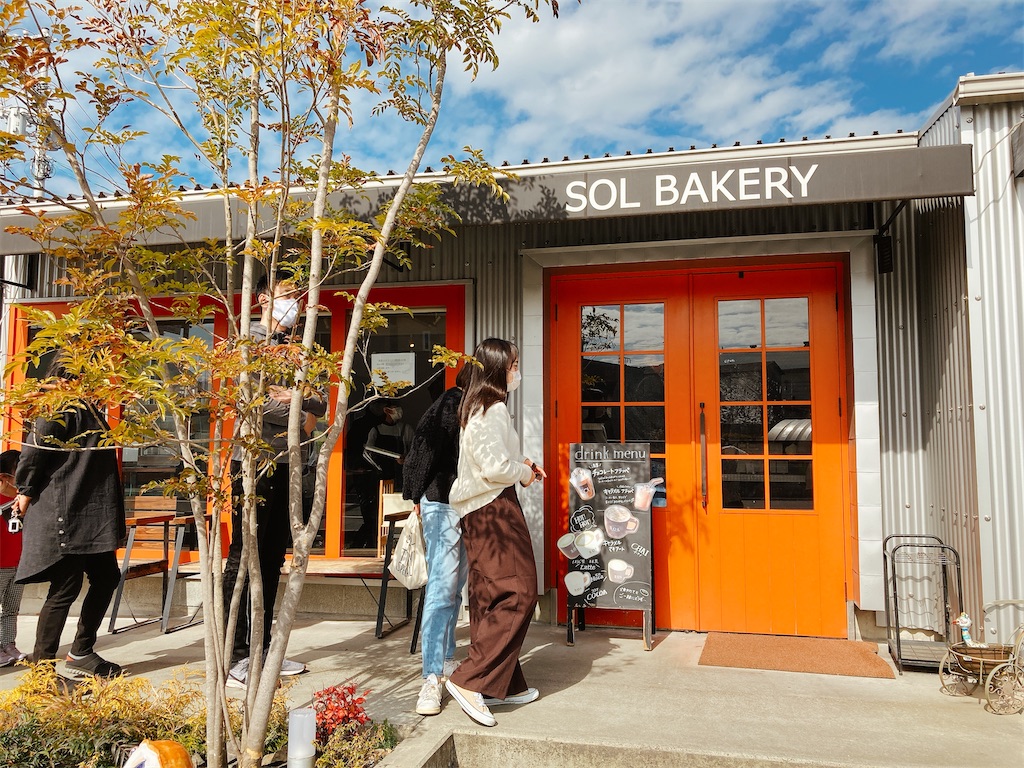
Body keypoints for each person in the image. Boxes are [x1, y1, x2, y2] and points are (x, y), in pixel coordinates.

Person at [223, 271, 327, 689]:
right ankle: (236, 656)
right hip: (252, 461)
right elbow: (254, 400)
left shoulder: (296, 348)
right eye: (288, 296)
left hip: (286, 461)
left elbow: (320, 395)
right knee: (245, 555)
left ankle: (262, 651)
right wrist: (301, 412)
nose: (296, 305)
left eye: (298, 297)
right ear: (264, 298)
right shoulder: (248, 342)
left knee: (270, 557)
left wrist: (301, 401)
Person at [446, 338, 546, 727]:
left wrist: (521, 465)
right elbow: (493, 468)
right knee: (519, 590)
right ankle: (470, 679)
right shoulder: (493, 408)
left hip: (482, 509)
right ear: (498, 369)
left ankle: (500, 683)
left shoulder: (480, 408)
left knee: (489, 594)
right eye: (513, 364)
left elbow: (492, 459)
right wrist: (521, 471)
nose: (517, 371)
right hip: (493, 509)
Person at [13, 359, 126, 678]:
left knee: (106, 577)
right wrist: (25, 490)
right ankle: (42, 669)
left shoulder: (85, 403)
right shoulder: (57, 402)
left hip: (90, 512)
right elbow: (34, 452)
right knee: (66, 584)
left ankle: (81, 652)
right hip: (66, 509)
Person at [402, 365, 472, 716]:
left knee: (454, 587)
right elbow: (423, 450)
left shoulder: (478, 407)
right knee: (444, 588)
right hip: (443, 503)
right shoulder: (453, 404)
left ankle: (445, 659)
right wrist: (415, 493)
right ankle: (431, 677)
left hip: (465, 506)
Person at [356, 400, 414, 548]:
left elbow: (413, 451)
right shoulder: (376, 430)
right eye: (395, 409)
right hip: (380, 476)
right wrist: (378, 469)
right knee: (377, 508)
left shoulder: (405, 429)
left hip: (400, 475)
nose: (398, 412)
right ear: (386, 411)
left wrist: (405, 460)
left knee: (399, 506)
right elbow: (367, 453)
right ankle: (375, 542)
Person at [0, 449, 27, 667]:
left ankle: (8, 644)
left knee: (11, 608)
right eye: (18, 473)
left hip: (17, 563)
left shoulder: (24, 500)